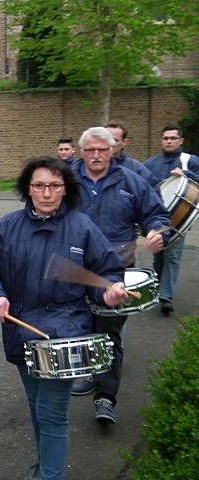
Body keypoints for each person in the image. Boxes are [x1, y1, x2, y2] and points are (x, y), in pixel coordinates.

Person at [0, 155, 127, 480]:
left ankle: (50, 475)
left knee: (52, 414)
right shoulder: (7, 228)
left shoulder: (82, 227)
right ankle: (44, 467)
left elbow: (106, 272)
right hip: (21, 334)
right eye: (39, 185)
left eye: (55, 185)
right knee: (37, 409)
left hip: (65, 337)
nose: (47, 192)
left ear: (65, 189)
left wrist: (107, 292)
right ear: (28, 189)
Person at [70, 127, 170, 425]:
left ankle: (105, 397)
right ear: (82, 152)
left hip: (116, 270)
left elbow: (158, 214)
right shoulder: (67, 180)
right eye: (91, 150)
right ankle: (89, 371)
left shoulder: (131, 181)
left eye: (103, 149)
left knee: (110, 333)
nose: (97, 155)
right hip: (76, 269)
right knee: (81, 326)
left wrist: (156, 231)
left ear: (113, 150)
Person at [145, 124, 199, 315]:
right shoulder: (151, 163)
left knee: (172, 256)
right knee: (158, 256)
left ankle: (165, 297)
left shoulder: (189, 161)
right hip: (155, 219)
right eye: (165, 138)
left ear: (180, 141)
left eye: (172, 138)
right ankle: (158, 289)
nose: (168, 141)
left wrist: (186, 174)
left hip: (179, 217)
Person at [104, 121, 157, 186]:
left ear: (124, 142)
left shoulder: (137, 170)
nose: (110, 143)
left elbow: (152, 193)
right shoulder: (92, 167)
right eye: (107, 139)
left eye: (115, 140)